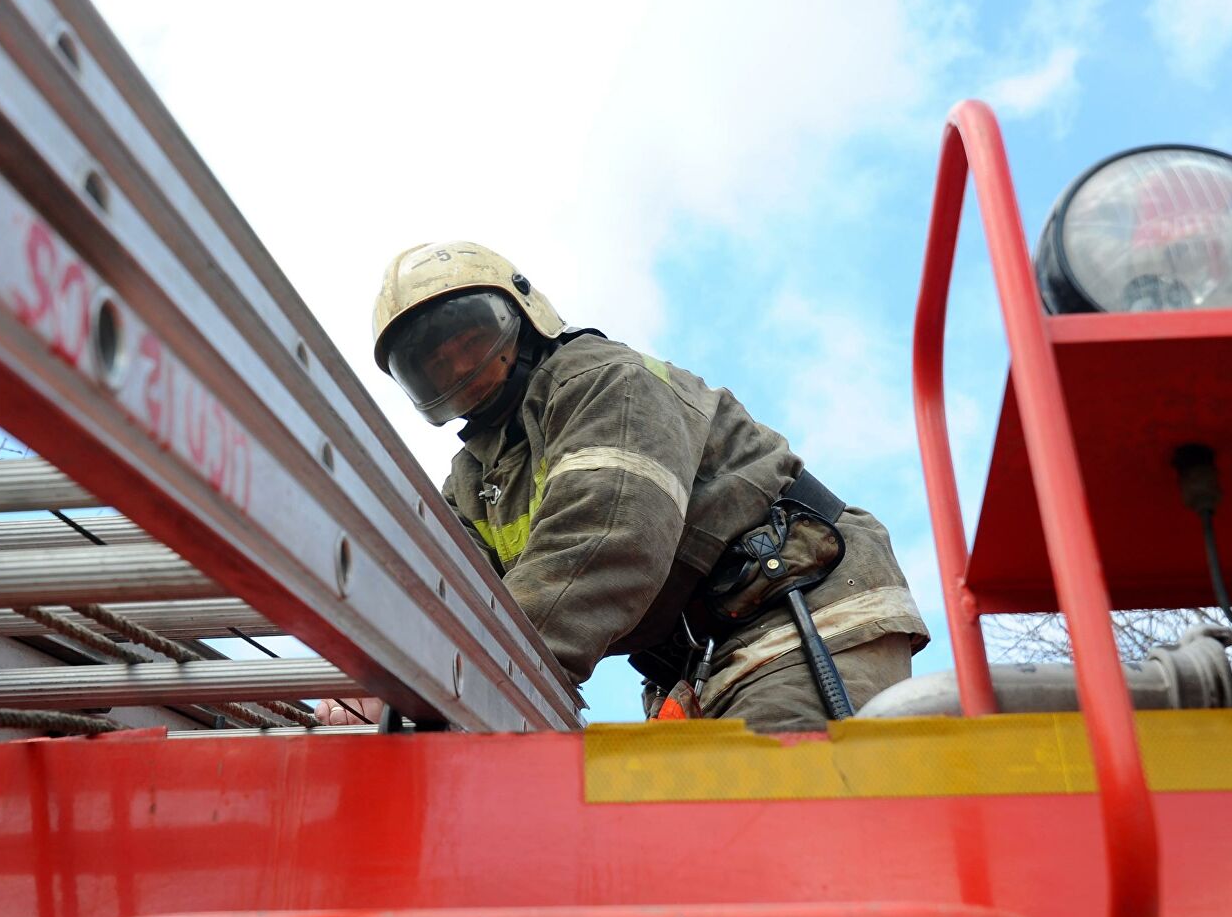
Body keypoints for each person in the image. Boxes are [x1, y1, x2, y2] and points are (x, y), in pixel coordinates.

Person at [318, 241, 927, 729]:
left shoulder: (601, 382)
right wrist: (378, 676)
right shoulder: (473, 479)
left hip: (799, 619)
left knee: (766, 827)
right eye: (432, 365)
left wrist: (460, 676)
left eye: (472, 341)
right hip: (699, 663)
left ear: (524, 314)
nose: (459, 369)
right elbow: (445, 591)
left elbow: (606, 540)